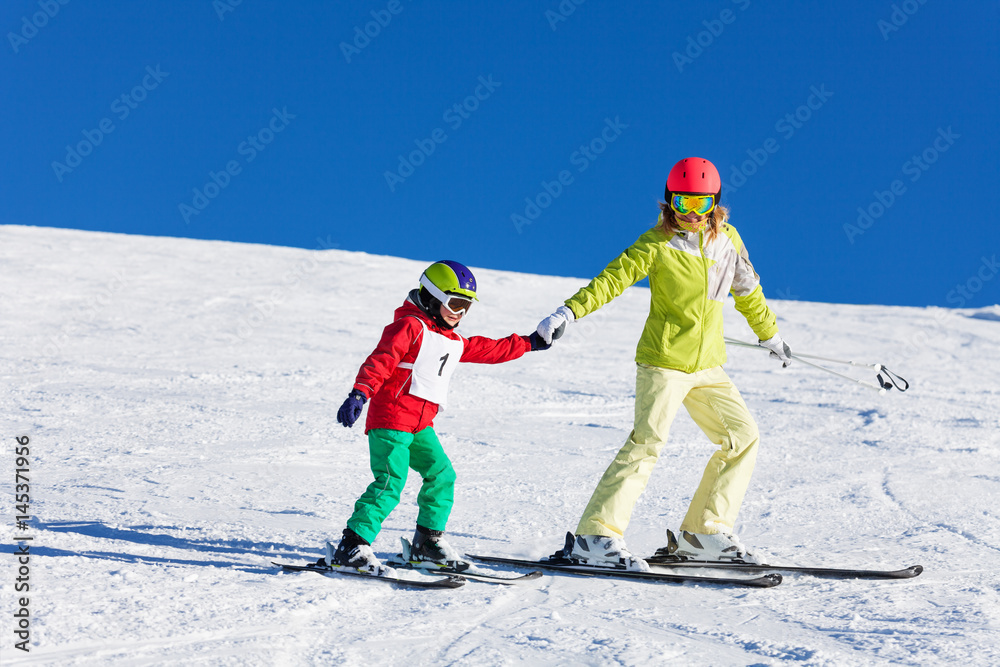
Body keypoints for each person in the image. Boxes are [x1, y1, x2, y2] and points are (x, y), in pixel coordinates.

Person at [535, 157, 791, 571]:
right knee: (647, 442)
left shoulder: (728, 240)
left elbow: (748, 290)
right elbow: (611, 279)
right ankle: (594, 538)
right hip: (664, 362)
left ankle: (703, 534)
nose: (691, 214)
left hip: (708, 365)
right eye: (683, 202)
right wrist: (568, 312)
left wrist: (770, 334)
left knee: (742, 436)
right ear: (669, 202)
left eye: (702, 204)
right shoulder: (655, 244)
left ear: (716, 204)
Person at [326, 260, 553, 575]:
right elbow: (381, 359)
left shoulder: (452, 339)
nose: (459, 313)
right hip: (391, 419)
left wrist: (529, 343)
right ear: (432, 296)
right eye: (455, 303)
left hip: (420, 426)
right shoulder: (409, 327)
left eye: (467, 307)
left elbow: (488, 349)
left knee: (442, 475)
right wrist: (359, 393)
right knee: (391, 481)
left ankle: (427, 543)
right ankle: (352, 546)